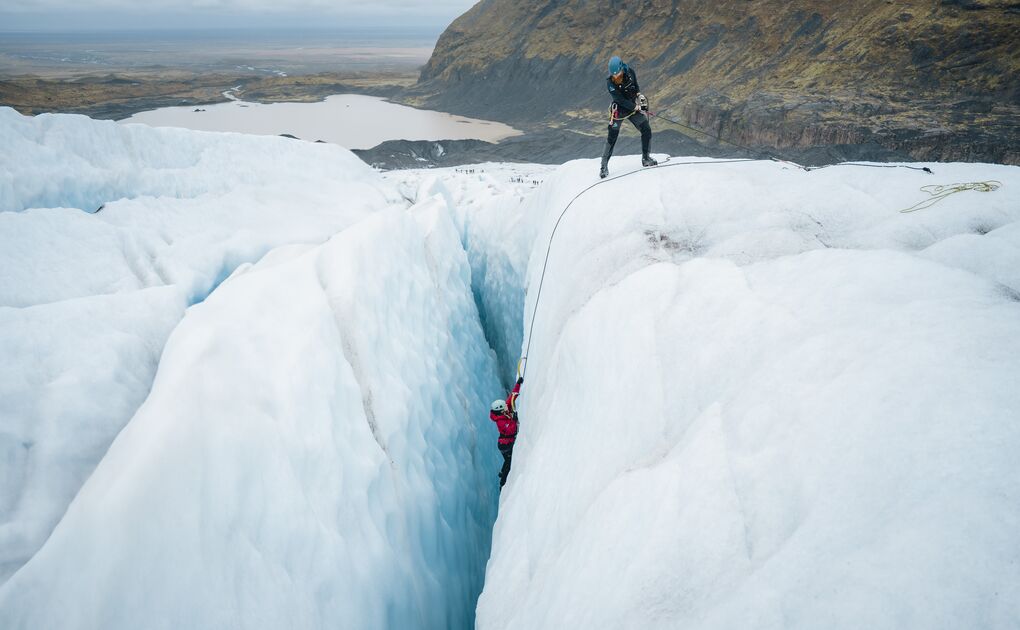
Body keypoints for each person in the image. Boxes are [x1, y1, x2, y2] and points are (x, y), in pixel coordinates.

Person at [600, 55, 657, 179]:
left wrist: (639, 95)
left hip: (632, 109)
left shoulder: (630, 72)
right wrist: (636, 107)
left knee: (646, 129)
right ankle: (603, 167)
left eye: (617, 73)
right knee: (612, 138)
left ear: (622, 68)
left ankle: (646, 158)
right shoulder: (610, 83)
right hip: (619, 111)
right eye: (613, 74)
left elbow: (635, 86)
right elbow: (619, 100)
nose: (615, 76)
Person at [490, 376, 523, 489]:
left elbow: (511, 397)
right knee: (510, 462)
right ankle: (503, 483)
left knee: (508, 460)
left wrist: (518, 384)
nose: (506, 408)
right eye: (504, 408)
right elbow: (511, 429)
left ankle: (502, 473)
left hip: (506, 442)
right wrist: (514, 419)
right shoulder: (500, 421)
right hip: (505, 445)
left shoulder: (504, 410)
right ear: (500, 411)